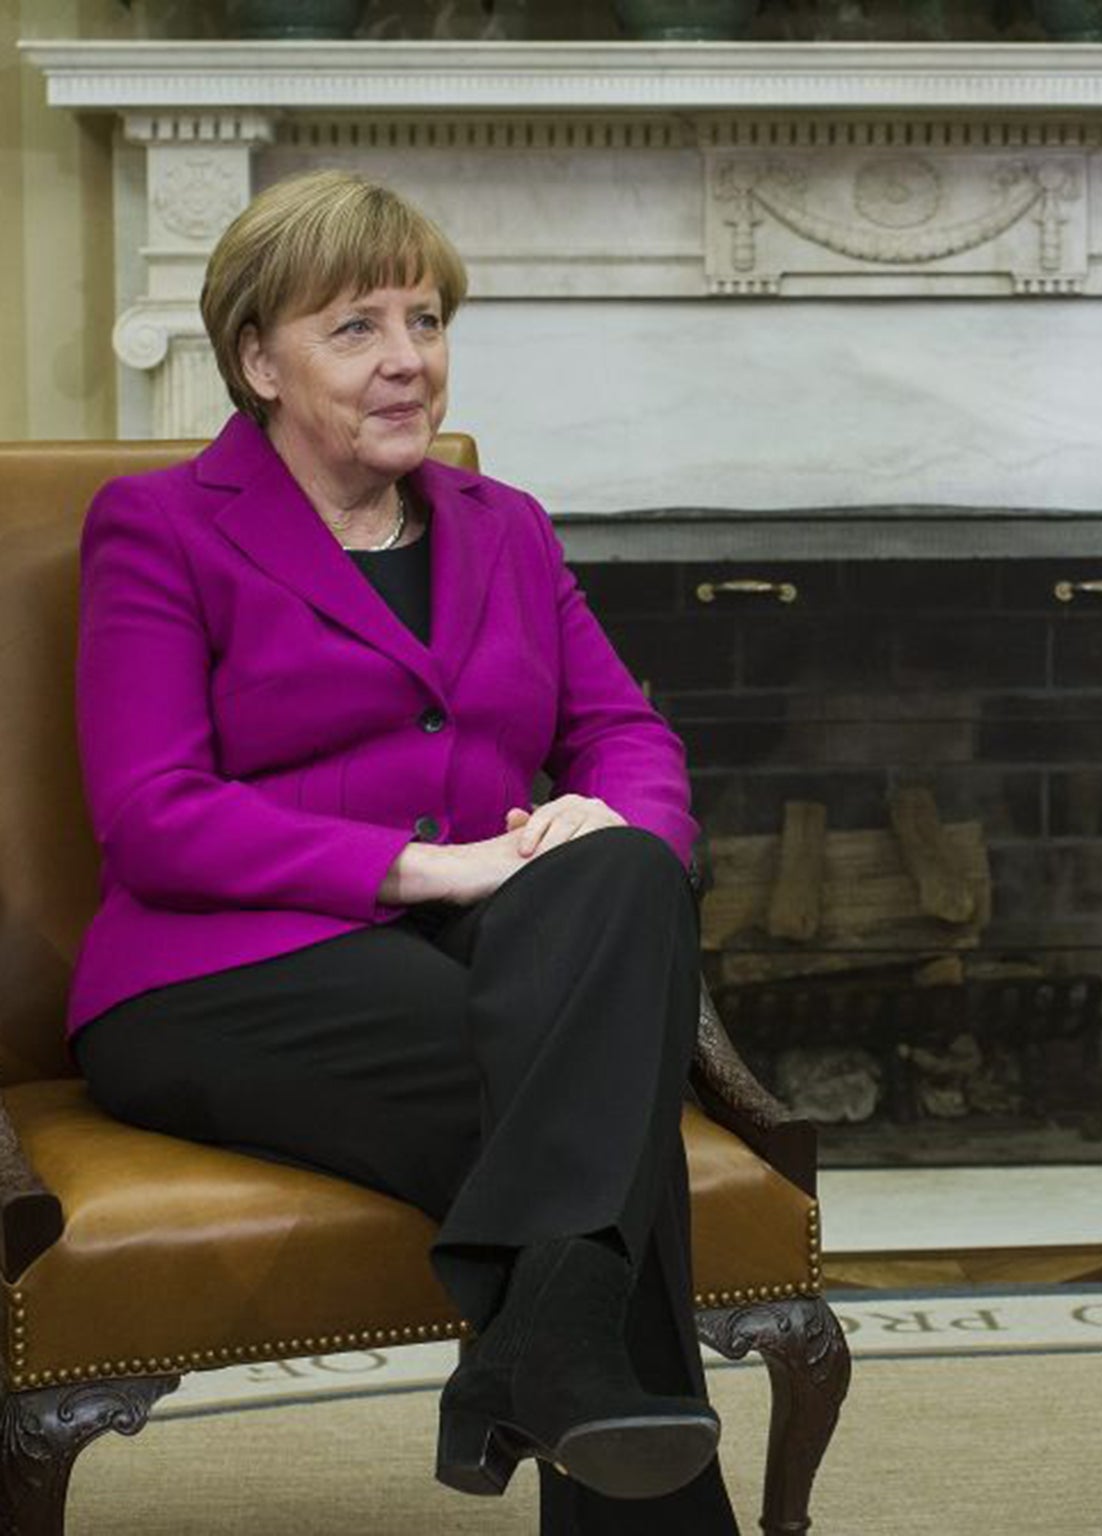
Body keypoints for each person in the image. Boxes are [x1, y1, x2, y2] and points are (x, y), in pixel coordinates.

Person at [69, 169, 742, 1536]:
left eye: (425, 321)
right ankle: (563, 1381)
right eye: (355, 327)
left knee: (623, 869)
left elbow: (625, 731)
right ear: (257, 358)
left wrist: (608, 820)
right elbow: (151, 811)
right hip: (222, 975)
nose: (407, 361)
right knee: (607, 1122)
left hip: (476, 958)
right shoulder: (161, 527)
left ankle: (536, 1349)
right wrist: (430, 869)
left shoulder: (505, 527)